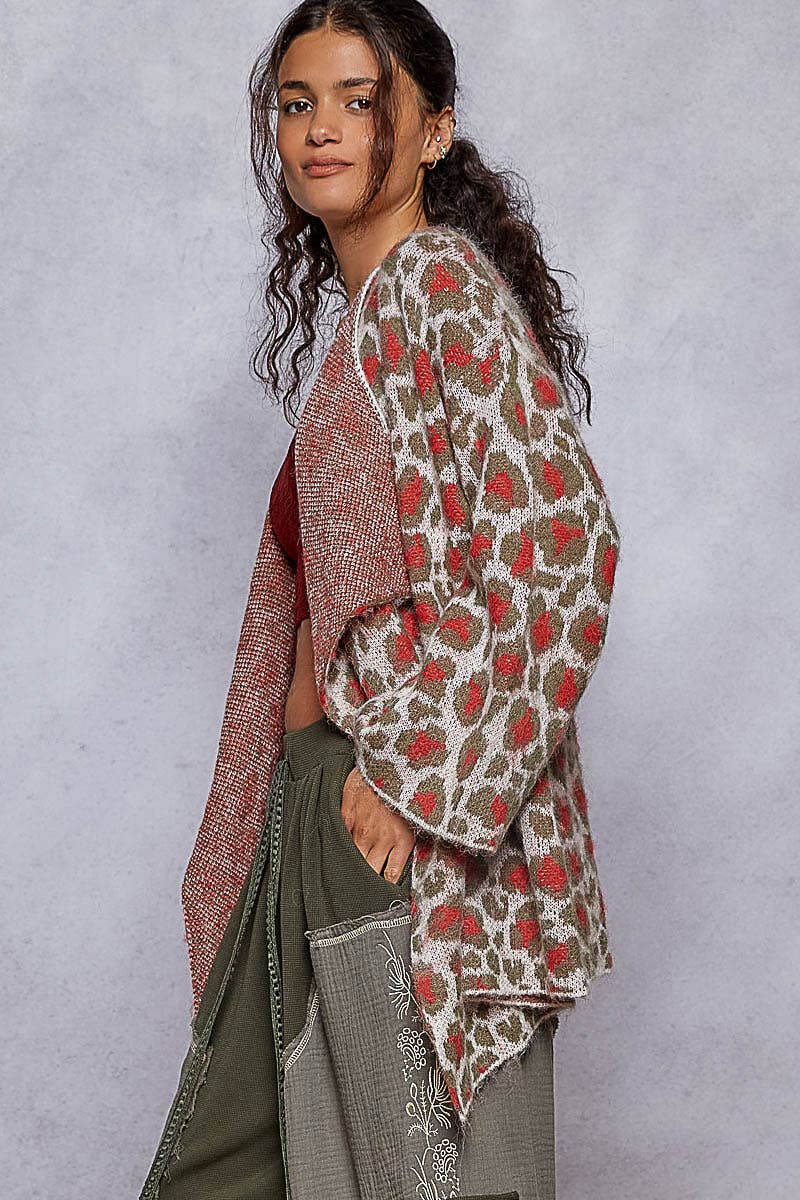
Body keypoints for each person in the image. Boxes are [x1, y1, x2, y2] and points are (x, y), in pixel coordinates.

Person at [138, 3, 621, 1198]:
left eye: (358, 100)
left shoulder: (438, 287)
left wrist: (419, 784)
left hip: (397, 818)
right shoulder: (368, 324)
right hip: (316, 805)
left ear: (431, 129)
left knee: (432, 1181)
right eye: (296, 103)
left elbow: (565, 546)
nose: (321, 129)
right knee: (255, 1170)